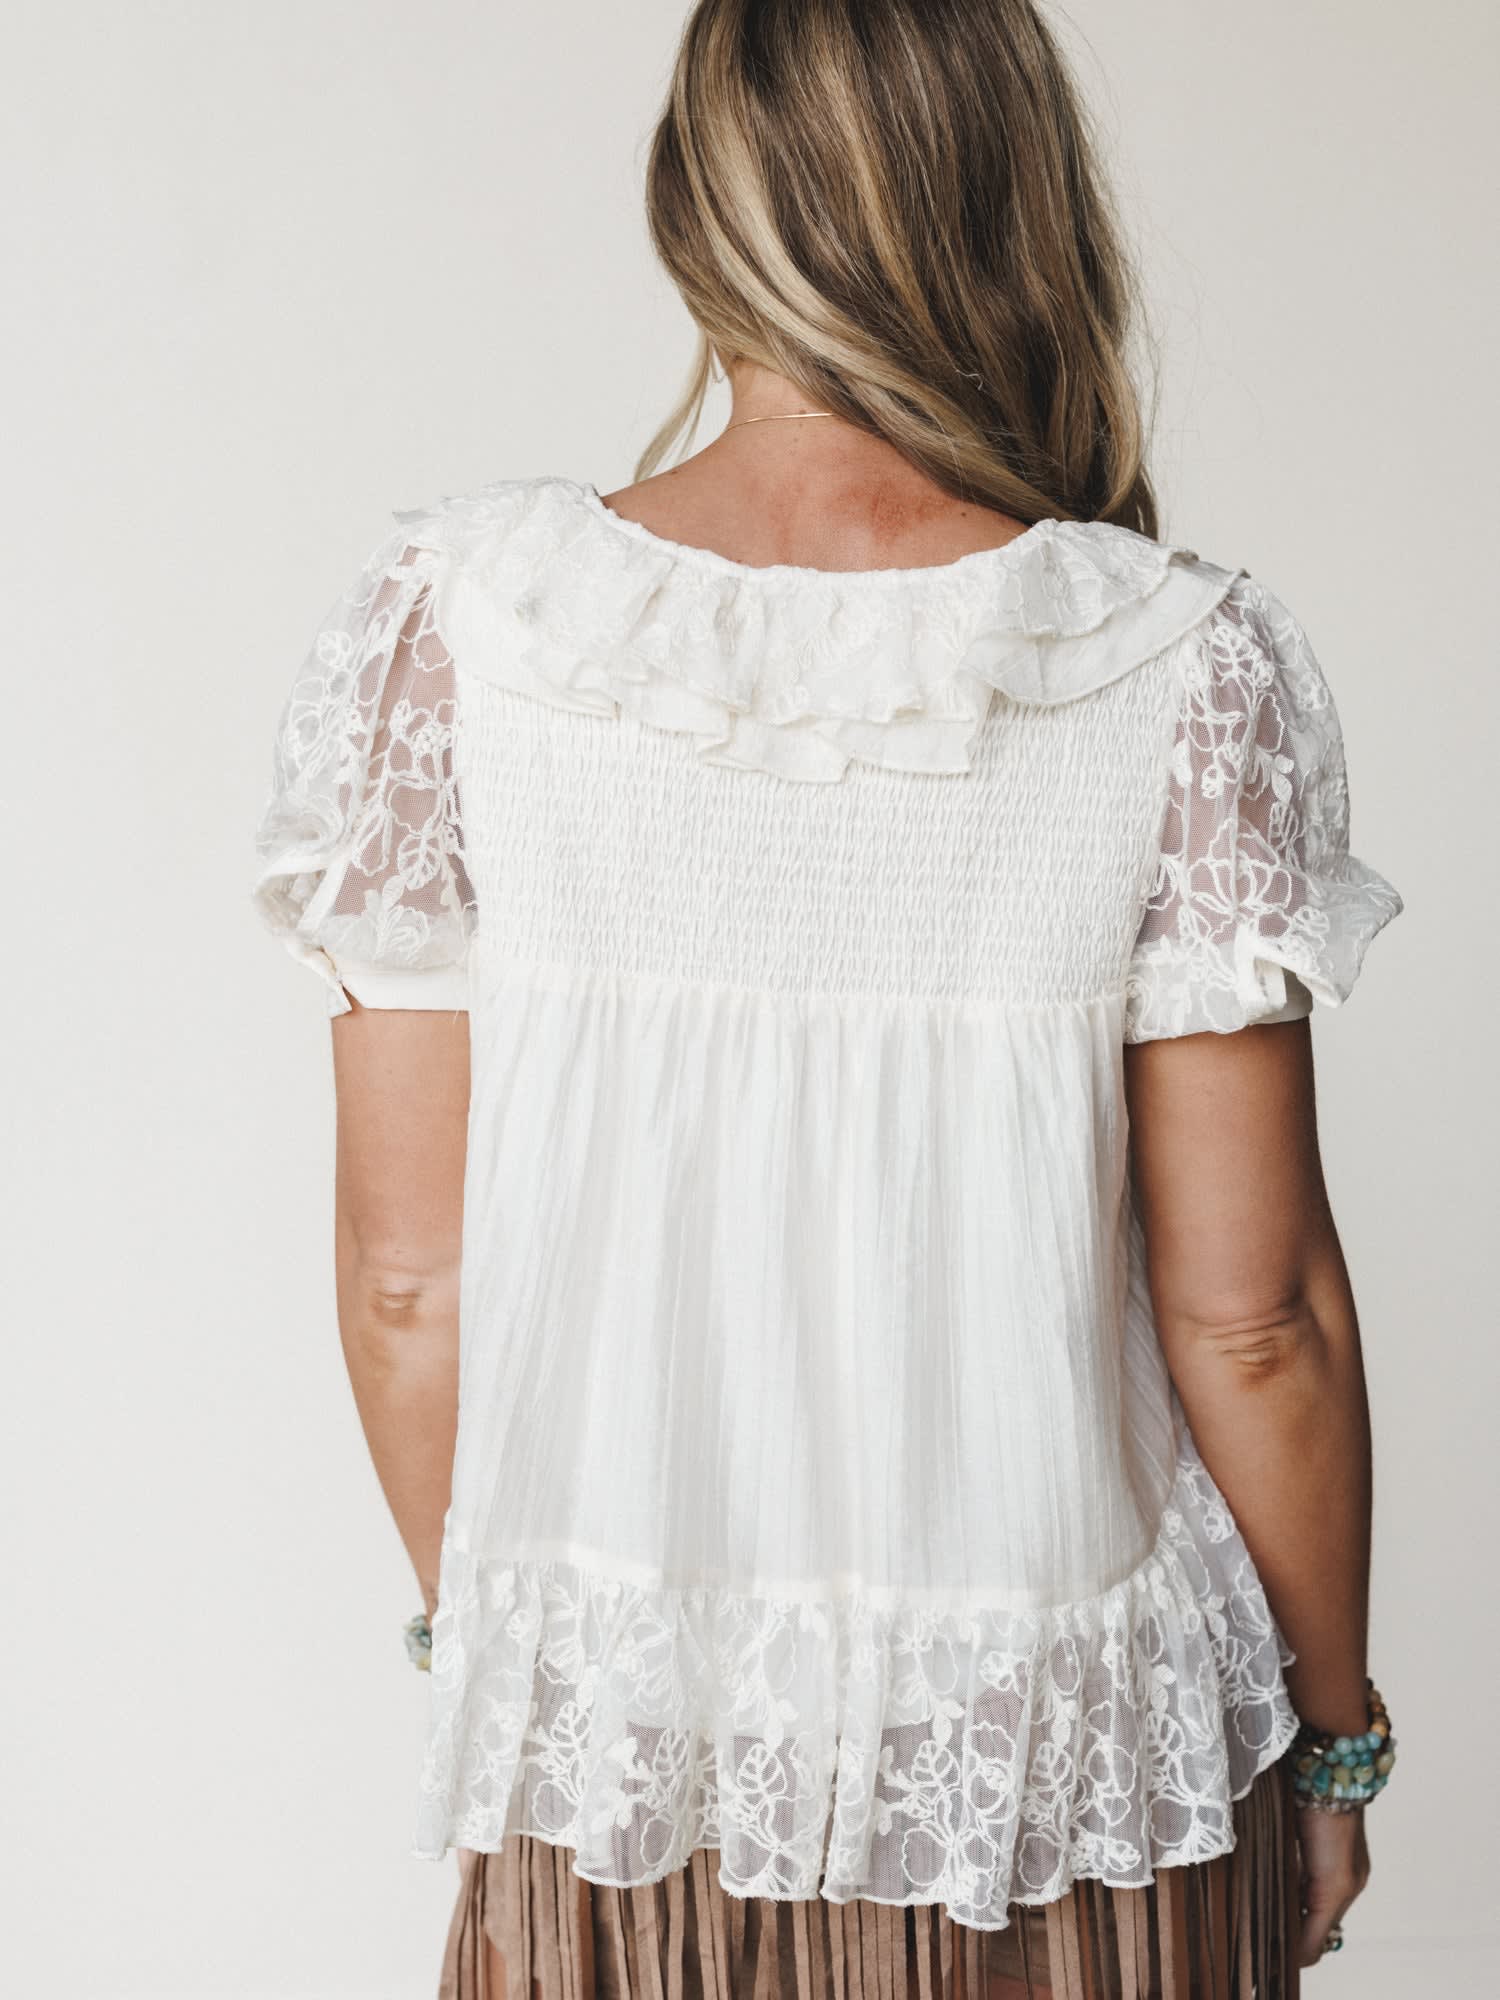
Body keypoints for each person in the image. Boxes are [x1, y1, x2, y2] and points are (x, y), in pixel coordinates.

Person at [251, 2, 1404, 1994]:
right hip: (1065, 1787)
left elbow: (408, 1284)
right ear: (1023, 208)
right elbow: (1255, 1318)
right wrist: (1333, 1739)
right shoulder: (1171, 661)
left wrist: (520, 1664)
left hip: (623, 1799)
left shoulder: (459, 626)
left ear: (695, 207)